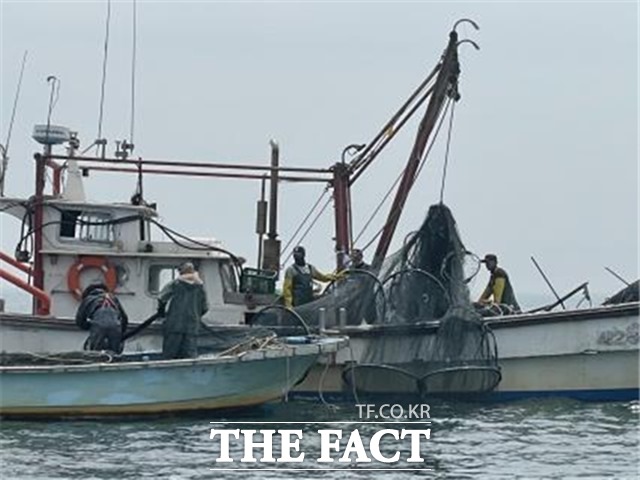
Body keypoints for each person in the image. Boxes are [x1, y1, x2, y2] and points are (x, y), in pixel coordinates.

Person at [157, 262, 209, 359]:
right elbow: (205, 308)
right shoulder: (200, 287)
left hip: (174, 326)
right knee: (190, 357)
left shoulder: (176, 283)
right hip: (192, 328)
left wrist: (161, 312)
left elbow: (161, 298)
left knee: (169, 356)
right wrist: (196, 317)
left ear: (181, 272)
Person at [75, 283, 128, 354]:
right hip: (116, 326)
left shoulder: (88, 299)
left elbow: (79, 321)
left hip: (98, 326)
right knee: (115, 354)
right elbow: (124, 318)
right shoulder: (113, 298)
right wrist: (121, 331)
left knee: (95, 354)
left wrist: (89, 325)